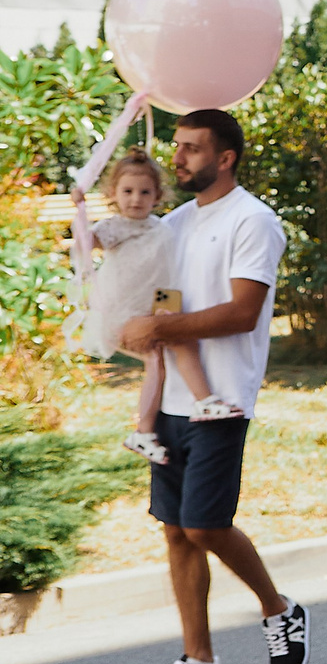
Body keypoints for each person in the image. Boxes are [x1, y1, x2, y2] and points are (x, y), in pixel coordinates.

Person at [120, 111, 310, 664]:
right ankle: (199, 662)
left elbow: (241, 312)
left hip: (220, 399)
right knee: (176, 532)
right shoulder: (172, 222)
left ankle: (280, 610)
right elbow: (149, 292)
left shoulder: (254, 221)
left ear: (224, 157)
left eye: (191, 149)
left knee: (205, 523)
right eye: (177, 147)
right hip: (170, 398)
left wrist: (162, 324)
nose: (177, 159)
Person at [75, 151, 236, 465]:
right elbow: (85, 243)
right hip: (125, 312)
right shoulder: (114, 228)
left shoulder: (161, 227)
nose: (136, 199)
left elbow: (166, 272)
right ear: (113, 194)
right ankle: (151, 427)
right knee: (158, 359)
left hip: (157, 303)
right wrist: (80, 209)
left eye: (145, 192)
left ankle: (194, 405)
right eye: (127, 191)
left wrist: (169, 308)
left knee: (179, 346)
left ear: (157, 196)